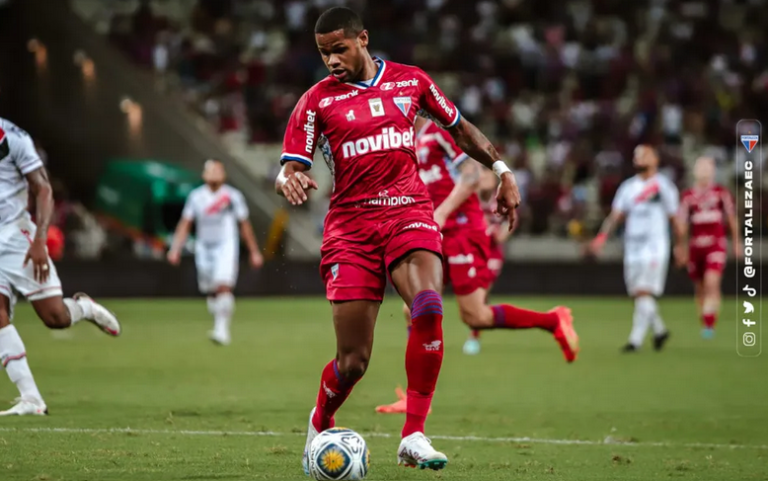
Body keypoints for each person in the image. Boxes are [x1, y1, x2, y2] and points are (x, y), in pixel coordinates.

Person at [275, 7, 520, 472]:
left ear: (362, 39)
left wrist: (502, 171)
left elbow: (460, 129)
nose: (331, 60)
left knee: (428, 304)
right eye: (323, 52)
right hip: (350, 229)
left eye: (339, 49)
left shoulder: (410, 81)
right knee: (352, 363)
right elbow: (291, 165)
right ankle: (321, 417)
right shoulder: (316, 101)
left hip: (409, 212)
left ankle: (413, 434)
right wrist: (284, 180)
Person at [375, 117, 578, 414]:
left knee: (476, 317)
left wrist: (442, 212)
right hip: (434, 231)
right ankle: (415, 397)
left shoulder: (438, 132)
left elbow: (472, 176)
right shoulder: (402, 140)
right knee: (412, 309)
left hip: (462, 231)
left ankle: (553, 321)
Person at [0, 117, 121, 416]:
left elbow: (42, 189)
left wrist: (40, 240)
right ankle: (31, 399)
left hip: (16, 237)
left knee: (55, 317)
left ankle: (85, 308)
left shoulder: (13, 137)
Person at [589, 145, 684, 352]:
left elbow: (675, 219)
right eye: (636, 155)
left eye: (644, 154)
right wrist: (601, 238)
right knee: (638, 293)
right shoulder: (628, 188)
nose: (639, 158)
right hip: (633, 246)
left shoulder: (663, 186)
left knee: (643, 290)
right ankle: (659, 330)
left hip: (655, 245)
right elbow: (616, 217)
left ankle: (635, 341)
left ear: (655, 159)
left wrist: (680, 246)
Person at [168, 160, 263, 346]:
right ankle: (218, 320)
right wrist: (175, 249)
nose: (214, 174)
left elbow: (244, 225)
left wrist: (254, 251)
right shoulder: (196, 197)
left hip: (226, 245)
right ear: (204, 175)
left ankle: (222, 330)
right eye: (210, 171)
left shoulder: (232, 196)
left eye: (218, 170)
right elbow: (185, 223)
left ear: (224, 174)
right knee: (210, 290)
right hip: (204, 246)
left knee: (223, 285)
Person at [676, 157, 741, 339]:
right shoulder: (688, 196)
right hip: (696, 246)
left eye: (707, 167)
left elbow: (732, 219)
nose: (704, 171)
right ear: (694, 171)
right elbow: (682, 224)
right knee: (700, 287)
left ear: (713, 171)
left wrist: (737, 242)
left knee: (712, 282)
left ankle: (709, 324)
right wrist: (680, 247)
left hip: (716, 245)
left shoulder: (721, 193)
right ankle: (706, 318)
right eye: (700, 167)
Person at [463, 167, 513, 355]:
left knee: (483, 291)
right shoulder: (469, 196)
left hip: (492, 251)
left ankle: (474, 336)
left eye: (486, 174)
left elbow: (513, 218)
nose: (482, 178)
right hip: (474, 248)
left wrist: (502, 235)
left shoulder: (500, 198)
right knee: (474, 292)